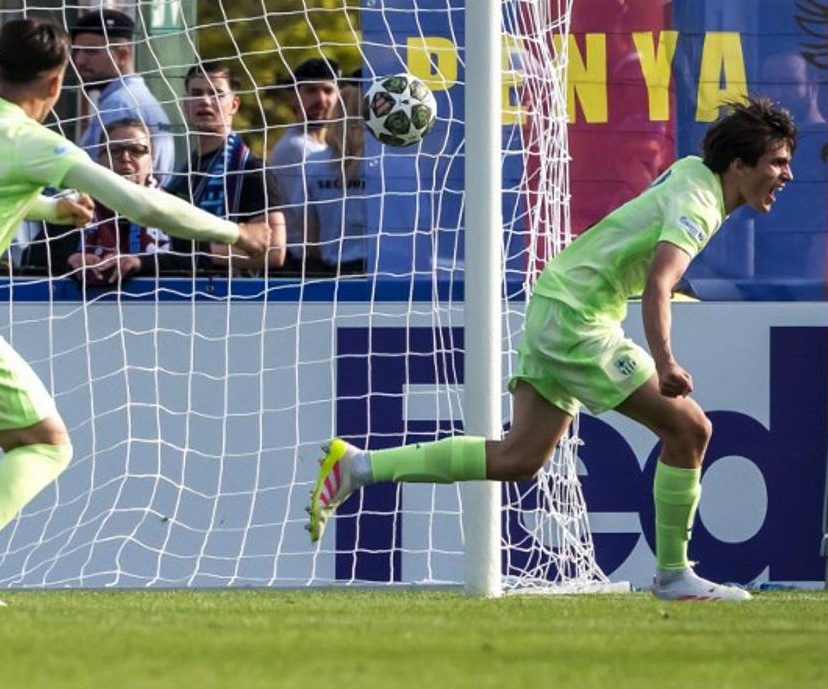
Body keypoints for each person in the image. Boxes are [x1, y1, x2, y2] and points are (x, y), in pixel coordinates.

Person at [308, 96, 797, 602]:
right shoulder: (699, 204)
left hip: (558, 303)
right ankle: (674, 576)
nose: (786, 175)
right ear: (739, 164)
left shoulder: (695, 171)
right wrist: (666, 360)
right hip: (576, 317)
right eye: (777, 162)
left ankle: (358, 466)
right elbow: (658, 284)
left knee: (519, 458)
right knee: (690, 427)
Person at [0, 17, 272, 606]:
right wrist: (239, 234)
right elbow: (141, 204)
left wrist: (52, 209)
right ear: (55, 85)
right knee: (45, 445)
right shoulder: (34, 142)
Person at [164, 61, 286, 273]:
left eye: (216, 93)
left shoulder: (250, 169)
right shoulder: (181, 173)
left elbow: (275, 251)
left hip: (231, 300)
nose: (204, 101)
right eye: (196, 93)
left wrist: (197, 253)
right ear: (186, 106)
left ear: (235, 105)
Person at [64, 118, 177, 285]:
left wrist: (141, 263)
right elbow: (33, 256)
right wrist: (72, 260)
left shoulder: (174, 206)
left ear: (152, 159)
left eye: (137, 150)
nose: (125, 158)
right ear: (98, 159)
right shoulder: (78, 207)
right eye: (114, 150)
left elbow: (198, 259)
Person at [70, 8, 175, 183]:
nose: (79, 61)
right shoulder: (137, 97)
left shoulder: (120, 104)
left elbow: (108, 180)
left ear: (122, 55)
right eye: (77, 52)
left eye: (90, 51)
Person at [267, 57, 341, 269]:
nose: (321, 99)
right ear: (293, 97)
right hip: (303, 264)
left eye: (328, 91)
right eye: (310, 90)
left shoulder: (325, 148)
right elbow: (304, 220)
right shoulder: (296, 148)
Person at [306, 83, 369, 273]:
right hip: (382, 271)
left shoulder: (312, 163)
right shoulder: (386, 164)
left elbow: (310, 237)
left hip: (332, 271)